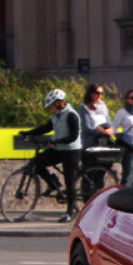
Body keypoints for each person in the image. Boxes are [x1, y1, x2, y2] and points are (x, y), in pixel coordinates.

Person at [20, 88, 83, 222]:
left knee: (70, 181)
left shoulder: (71, 115)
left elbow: (73, 136)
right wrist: (28, 133)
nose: (50, 109)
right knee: (36, 162)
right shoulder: (56, 115)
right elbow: (46, 128)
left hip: (71, 150)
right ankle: (53, 184)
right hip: (58, 148)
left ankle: (69, 213)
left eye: (51, 106)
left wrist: (55, 141)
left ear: (59, 102)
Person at [79, 83, 114, 148]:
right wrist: (102, 131)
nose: (99, 95)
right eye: (97, 93)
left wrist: (108, 130)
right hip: (91, 143)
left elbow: (108, 123)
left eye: (101, 93)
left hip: (104, 142)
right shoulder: (84, 107)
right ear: (91, 93)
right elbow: (87, 128)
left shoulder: (103, 106)